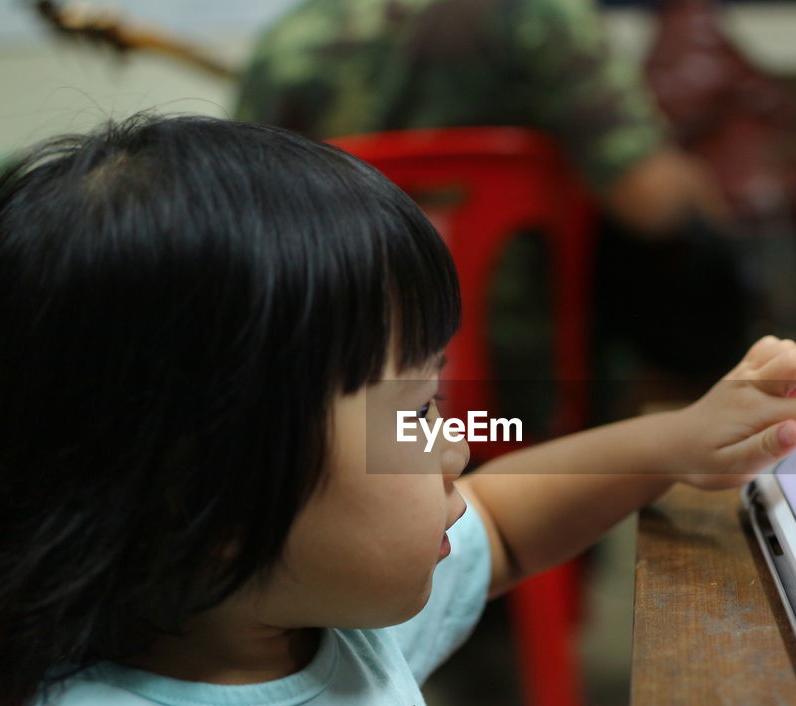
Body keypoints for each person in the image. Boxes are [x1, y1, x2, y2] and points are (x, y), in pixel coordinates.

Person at [0, 115, 796, 706]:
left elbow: (500, 523)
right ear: (207, 496)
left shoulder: (309, 621)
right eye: (414, 411)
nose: (454, 446)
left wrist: (679, 437)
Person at [234, 0, 750, 413]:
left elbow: (243, 224)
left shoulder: (291, 40)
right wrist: (696, 183)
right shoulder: (542, 17)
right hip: (521, 378)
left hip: (348, 378)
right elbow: (650, 203)